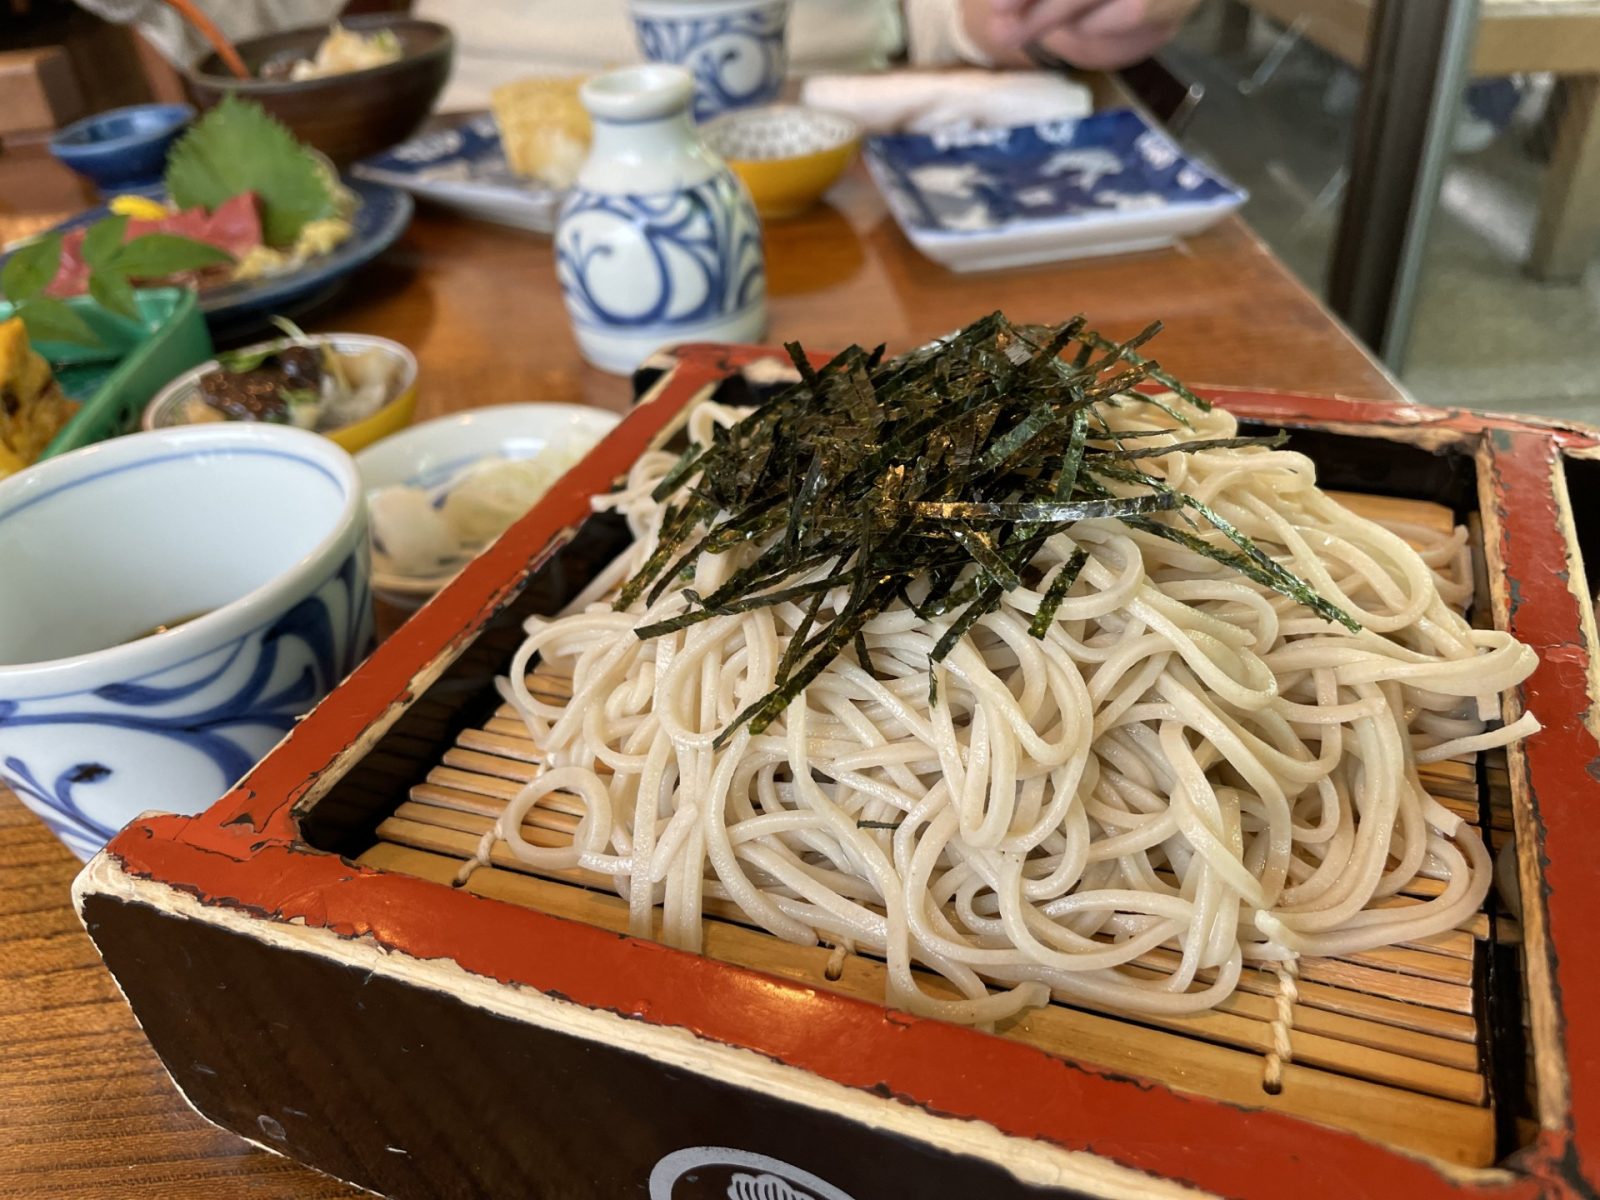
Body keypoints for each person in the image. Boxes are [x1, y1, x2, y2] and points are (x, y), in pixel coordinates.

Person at [80, 0, 1200, 111]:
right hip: (464, 160)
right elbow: (254, 18)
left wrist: (995, 21)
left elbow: (955, 14)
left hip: (863, 145)